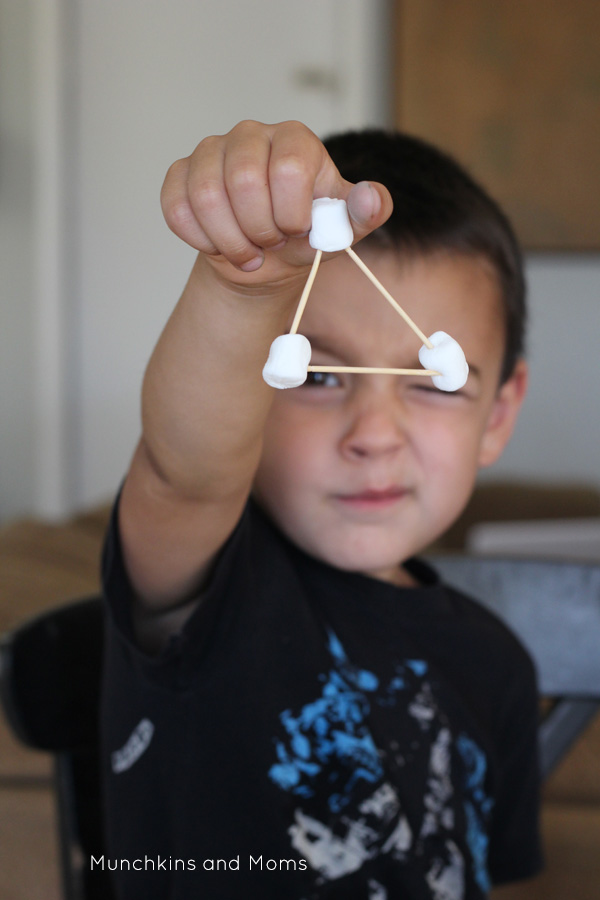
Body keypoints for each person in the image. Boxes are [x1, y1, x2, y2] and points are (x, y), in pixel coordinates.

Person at [100, 120, 542, 899]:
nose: (374, 435)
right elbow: (185, 471)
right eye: (316, 375)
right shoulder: (207, 582)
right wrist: (244, 286)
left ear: (498, 416)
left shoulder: (499, 665)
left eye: (433, 382)